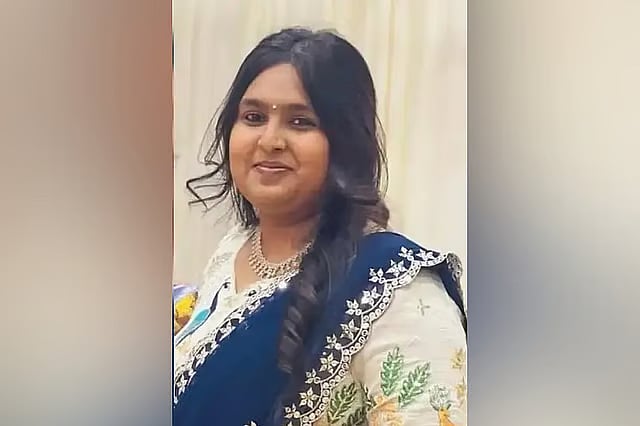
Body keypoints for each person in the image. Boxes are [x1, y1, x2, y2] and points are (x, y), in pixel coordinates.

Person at [173, 27, 466, 426]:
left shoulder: (398, 291)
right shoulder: (232, 251)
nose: (270, 140)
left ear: (346, 141)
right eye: (254, 117)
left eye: (300, 122)